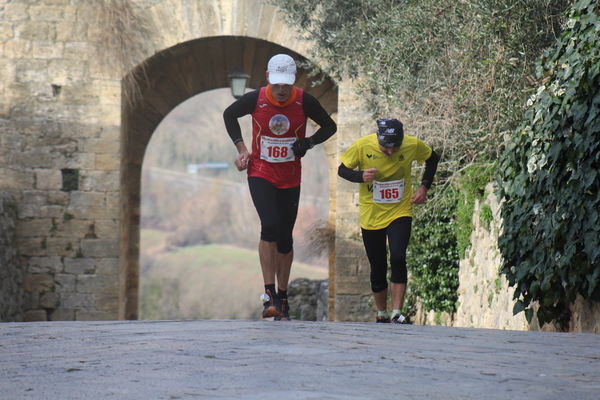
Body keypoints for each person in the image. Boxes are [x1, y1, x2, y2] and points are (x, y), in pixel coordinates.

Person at [223, 54, 337, 321]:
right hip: (261, 171)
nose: (282, 90)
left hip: (290, 175)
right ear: (268, 78)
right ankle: (268, 296)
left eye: (286, 84)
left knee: (285, 236)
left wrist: (307, 143)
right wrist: (242, 149)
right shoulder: (256, 98)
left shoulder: (304, 100)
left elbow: (329, 127)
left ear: (293, 80)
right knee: (270, 224)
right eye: (277, 84)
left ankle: (283, 298)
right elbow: (229, 115)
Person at [337, 118, 439, 324]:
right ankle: (381, 312)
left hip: (400, 211)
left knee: (399, 257)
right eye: (386, 148)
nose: (391, 152)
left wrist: (423, 187)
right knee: (378, 266)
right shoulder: (362, 146)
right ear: (378, 139)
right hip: (371, 215)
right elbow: (342, 170)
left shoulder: (412, 144)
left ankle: (397, 312)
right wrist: (360, 176)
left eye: (395, 147)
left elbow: (432, 158)